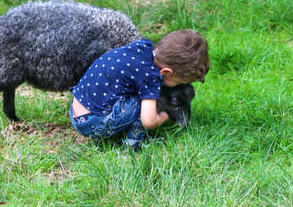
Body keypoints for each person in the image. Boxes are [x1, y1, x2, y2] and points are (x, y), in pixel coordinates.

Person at [69, 29, 210, 150]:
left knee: (142, 94)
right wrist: (165, 115)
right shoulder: (150, 77)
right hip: (93, 123)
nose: (178, 85)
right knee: (149, 102)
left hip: (77, 109)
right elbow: (148, 122)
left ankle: (119, 127)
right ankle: (134, 144)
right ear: (166, 72)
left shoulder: (144, 47)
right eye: (178, 82)